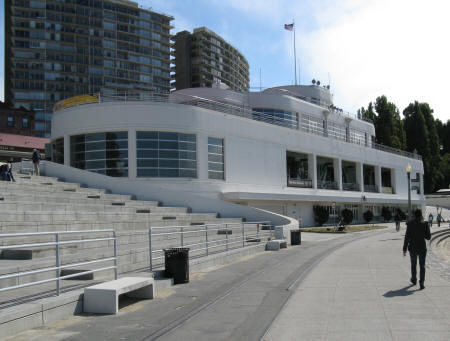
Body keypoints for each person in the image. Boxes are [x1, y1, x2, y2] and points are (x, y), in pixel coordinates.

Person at [403, 209, 431, 290]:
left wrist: (404, 249)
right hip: (422, 248)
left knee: (413, 264)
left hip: (412, 248)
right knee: (422, 266)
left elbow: (407, 237)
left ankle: (414, 279)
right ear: (421, 215)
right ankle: (421, 283)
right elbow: (428, 237)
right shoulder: (425, 224)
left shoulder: (410, 224)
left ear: (414, 215)